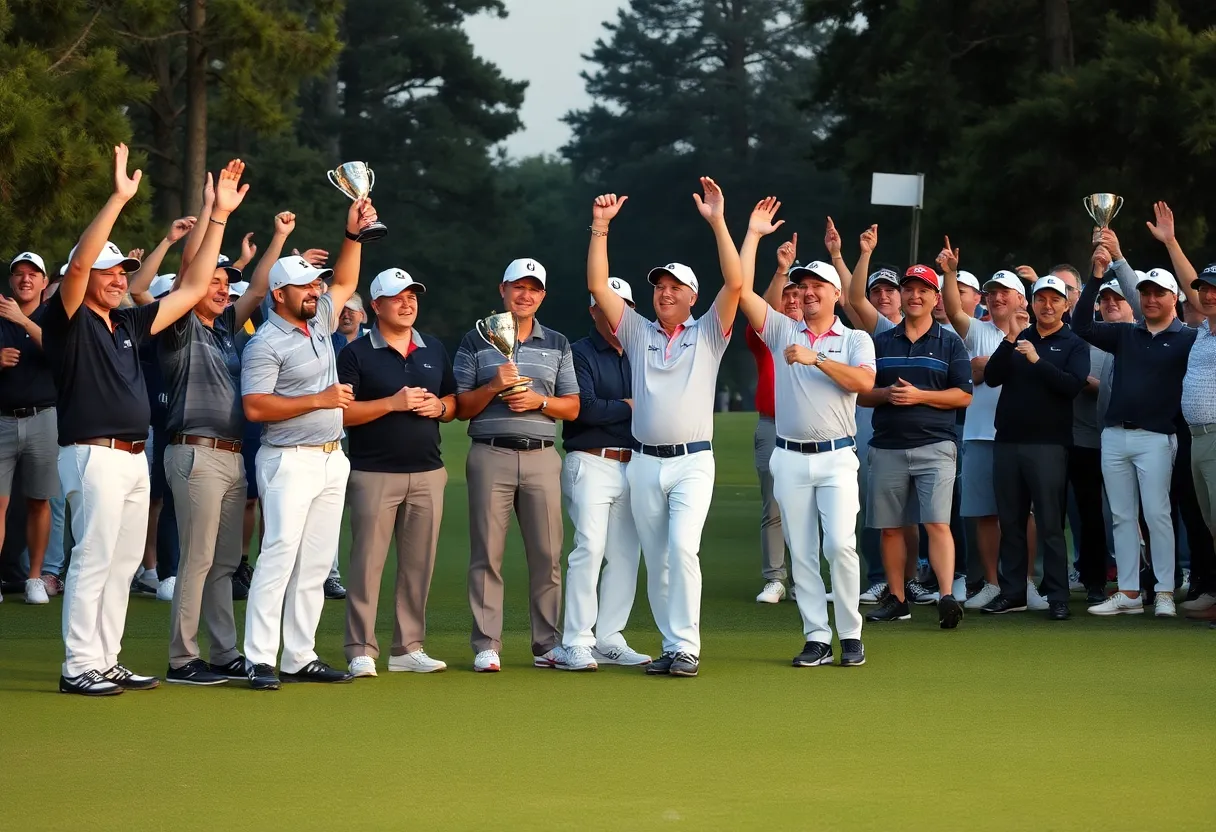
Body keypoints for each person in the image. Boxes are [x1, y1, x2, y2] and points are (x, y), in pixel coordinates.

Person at [43, 145, 225, 696]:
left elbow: (191, 289)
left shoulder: (126, 323)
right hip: (92, 453)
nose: (119, 279)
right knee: (94, 558)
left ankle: (106, 658)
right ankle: (78, 665)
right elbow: (78, 266)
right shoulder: (67, 319)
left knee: (122, 563)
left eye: (123, 271)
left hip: (132, 456)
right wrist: (119, 199)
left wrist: (217, 215)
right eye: (110, 271)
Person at [586, 179, 742, 679]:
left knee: (682, 548)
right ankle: (673, 646)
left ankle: (688, 647)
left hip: (693, 461)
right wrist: (600, 227)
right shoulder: (636, 331)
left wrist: (718, 222)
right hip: (645, 463)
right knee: (658, 559)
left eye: (675, 287)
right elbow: (598, 286)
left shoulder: (709, 331)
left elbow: (736, 284)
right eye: (659, 287)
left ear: (693, 296)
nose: (665, 293)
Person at [240, 197, 379, 690]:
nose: (316, 291)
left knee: (316, 563)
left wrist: (352, 235)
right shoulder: (264, 342)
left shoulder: (319, 319)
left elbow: (346, 280)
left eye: (315, 284)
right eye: (305, 286)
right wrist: (319, 399)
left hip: (330, 457)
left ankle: (299, 655)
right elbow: (255, 407)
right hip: (287, 460)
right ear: (279, 294)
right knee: (278, 556)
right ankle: (260, 658)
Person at [738, 199, 875, 666]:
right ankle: (817, 635)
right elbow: (741, 291)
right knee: (802, 551)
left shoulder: (855, 339)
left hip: (837, 456)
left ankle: (850, 633)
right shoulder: (782, 330)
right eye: (803, 286)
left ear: (837, 293)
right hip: (790, 456)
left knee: (839, 545)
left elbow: (864, 383)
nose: (808, 293)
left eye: (818, 286)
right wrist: (753, 236)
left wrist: (816, 358)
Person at [159, 208, 275, 686]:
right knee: (198, 559)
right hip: (195, 452)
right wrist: (216, 215)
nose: (223, 289)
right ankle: (182, 659)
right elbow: (189, 272)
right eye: (215, 282)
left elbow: (259, 290)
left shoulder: (224, 328)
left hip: (231, 455)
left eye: (227, 283)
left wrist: (279, 236)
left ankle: (225, 653)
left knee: (225, 563)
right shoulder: (180, 324)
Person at [454, 258, 580, 673]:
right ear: (502, 290)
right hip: (491, 453)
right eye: (518, 287)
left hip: (542, 456)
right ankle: (487, 644)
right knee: (487, 554)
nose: (525, 295)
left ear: (542, 295)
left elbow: (572, 407)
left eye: (534, 289)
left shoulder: (557, 342)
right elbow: (461, 406)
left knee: (548, 555)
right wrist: (495, 386)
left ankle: (547, 644)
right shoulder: (476, 339)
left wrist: (538, 401)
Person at [1075, 204, 1200, 618]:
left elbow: (1198, 300)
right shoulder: (1126, 334)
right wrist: (1097, 276)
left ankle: (1163, 591)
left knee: (1158, 515)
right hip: (1114, 435)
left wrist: (1124, 255)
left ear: (1174, 298)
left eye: (1158, 293)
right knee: (1122, 516)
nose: (1149, 299)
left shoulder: (1188, 338)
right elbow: (1082, 326)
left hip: (1158, 437)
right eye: (1144, 293)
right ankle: (1129, 592)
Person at [338, 268, 456, 677]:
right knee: (367, 564)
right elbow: (343, 413)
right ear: (376, 305)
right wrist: (392, 403)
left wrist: (441, 407)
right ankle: (360, 649)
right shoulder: (356, 353)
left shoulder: (432, 348)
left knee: (418, 566)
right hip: (374, 473)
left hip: (428, 472)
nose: (407, 304)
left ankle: (408, 648)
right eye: (397, 297)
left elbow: (453, 399)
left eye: (412, 297)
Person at [858, 258, 973, 628]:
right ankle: (898, 598)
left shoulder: (950, 343)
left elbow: (963, 395)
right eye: (909, 289)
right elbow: (863, 394)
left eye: (924, 290)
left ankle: (946, 596)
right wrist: (887, 394)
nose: (915, 296)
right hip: (887, 445)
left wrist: (919, 396)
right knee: (890, 527)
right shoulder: (880, 342)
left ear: (935, 298)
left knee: (937, 523)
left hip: (935, 446)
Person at [980, 275, 1089, 619]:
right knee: (1010, 521)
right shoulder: (1019, 338)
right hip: (1008, 442)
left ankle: (1057, 596)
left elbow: (1071, 385)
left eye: (1055, 299)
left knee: (1050, 523)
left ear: (1066, 305)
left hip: (1048, 445)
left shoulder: (1074, 343)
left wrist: (1037, 361)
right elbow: (992, 376)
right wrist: (1011, 338)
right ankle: (1013, 592)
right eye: (1041, 299)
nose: (1047, 305)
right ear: (1032, 303)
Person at [559, 277, 652, 671]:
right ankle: (576, 640)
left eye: (624, 306)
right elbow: (585, 408)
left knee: (626, 555)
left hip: (634, 464)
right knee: (590, 548)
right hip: (590, 460)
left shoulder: (642, 351)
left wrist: (623, 406)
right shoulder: (578, 352)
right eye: (605, 305)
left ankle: (609, 637)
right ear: (593, 310)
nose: (615, 313)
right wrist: (631, 405)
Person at [840, 227, 931, 605]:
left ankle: (910, 579)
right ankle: (880, 577)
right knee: (876, 508)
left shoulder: (924, 330)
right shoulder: (879, 332)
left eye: (890, 290)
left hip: (920, 433)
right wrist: (851, 255)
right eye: (877, 291)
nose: (883, 296)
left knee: (912, 514)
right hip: (875, 429)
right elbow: (852, 297)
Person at [938, 247, 1024, 611]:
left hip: (1022, 437)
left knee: (1026, 515)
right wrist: (950, 273)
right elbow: (953, 309)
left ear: (1021, 299)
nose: (997, 297)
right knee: (986, 514)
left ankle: (1024, 583)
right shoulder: (978, 329)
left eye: (1005, 292)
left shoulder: (1037, 334)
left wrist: (986, 366)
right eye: (992, 292)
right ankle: (992, 582)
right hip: (979, 435)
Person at [0, 252, 58, 604]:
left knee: (39, 500)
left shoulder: (54, 316)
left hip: (43, 417)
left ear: (44, 282)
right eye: (19, 273)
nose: (25, 279)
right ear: (11, 281)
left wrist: (21, 319)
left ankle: (35, 577)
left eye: (33, 274)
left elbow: (60, 354)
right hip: (2, 418)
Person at [748, 237, 802, 604]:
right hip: (772, 426)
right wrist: (781, 271)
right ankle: (775, 579)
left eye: (798, 294)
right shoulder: (769, 335)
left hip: (809, 430)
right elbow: (763, 309)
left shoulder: (822, 335)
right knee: (774, 506)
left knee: (809, 508)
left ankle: (804, 580)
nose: (793, 300)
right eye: (788, 295)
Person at [1182, 262, 1216, 621]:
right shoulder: (1203, 331)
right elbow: (1188, 286)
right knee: (1211, 524)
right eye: (1204, 288)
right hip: (1198, 438)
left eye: (1215, 289)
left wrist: (1172, 244)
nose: (1207, 295)